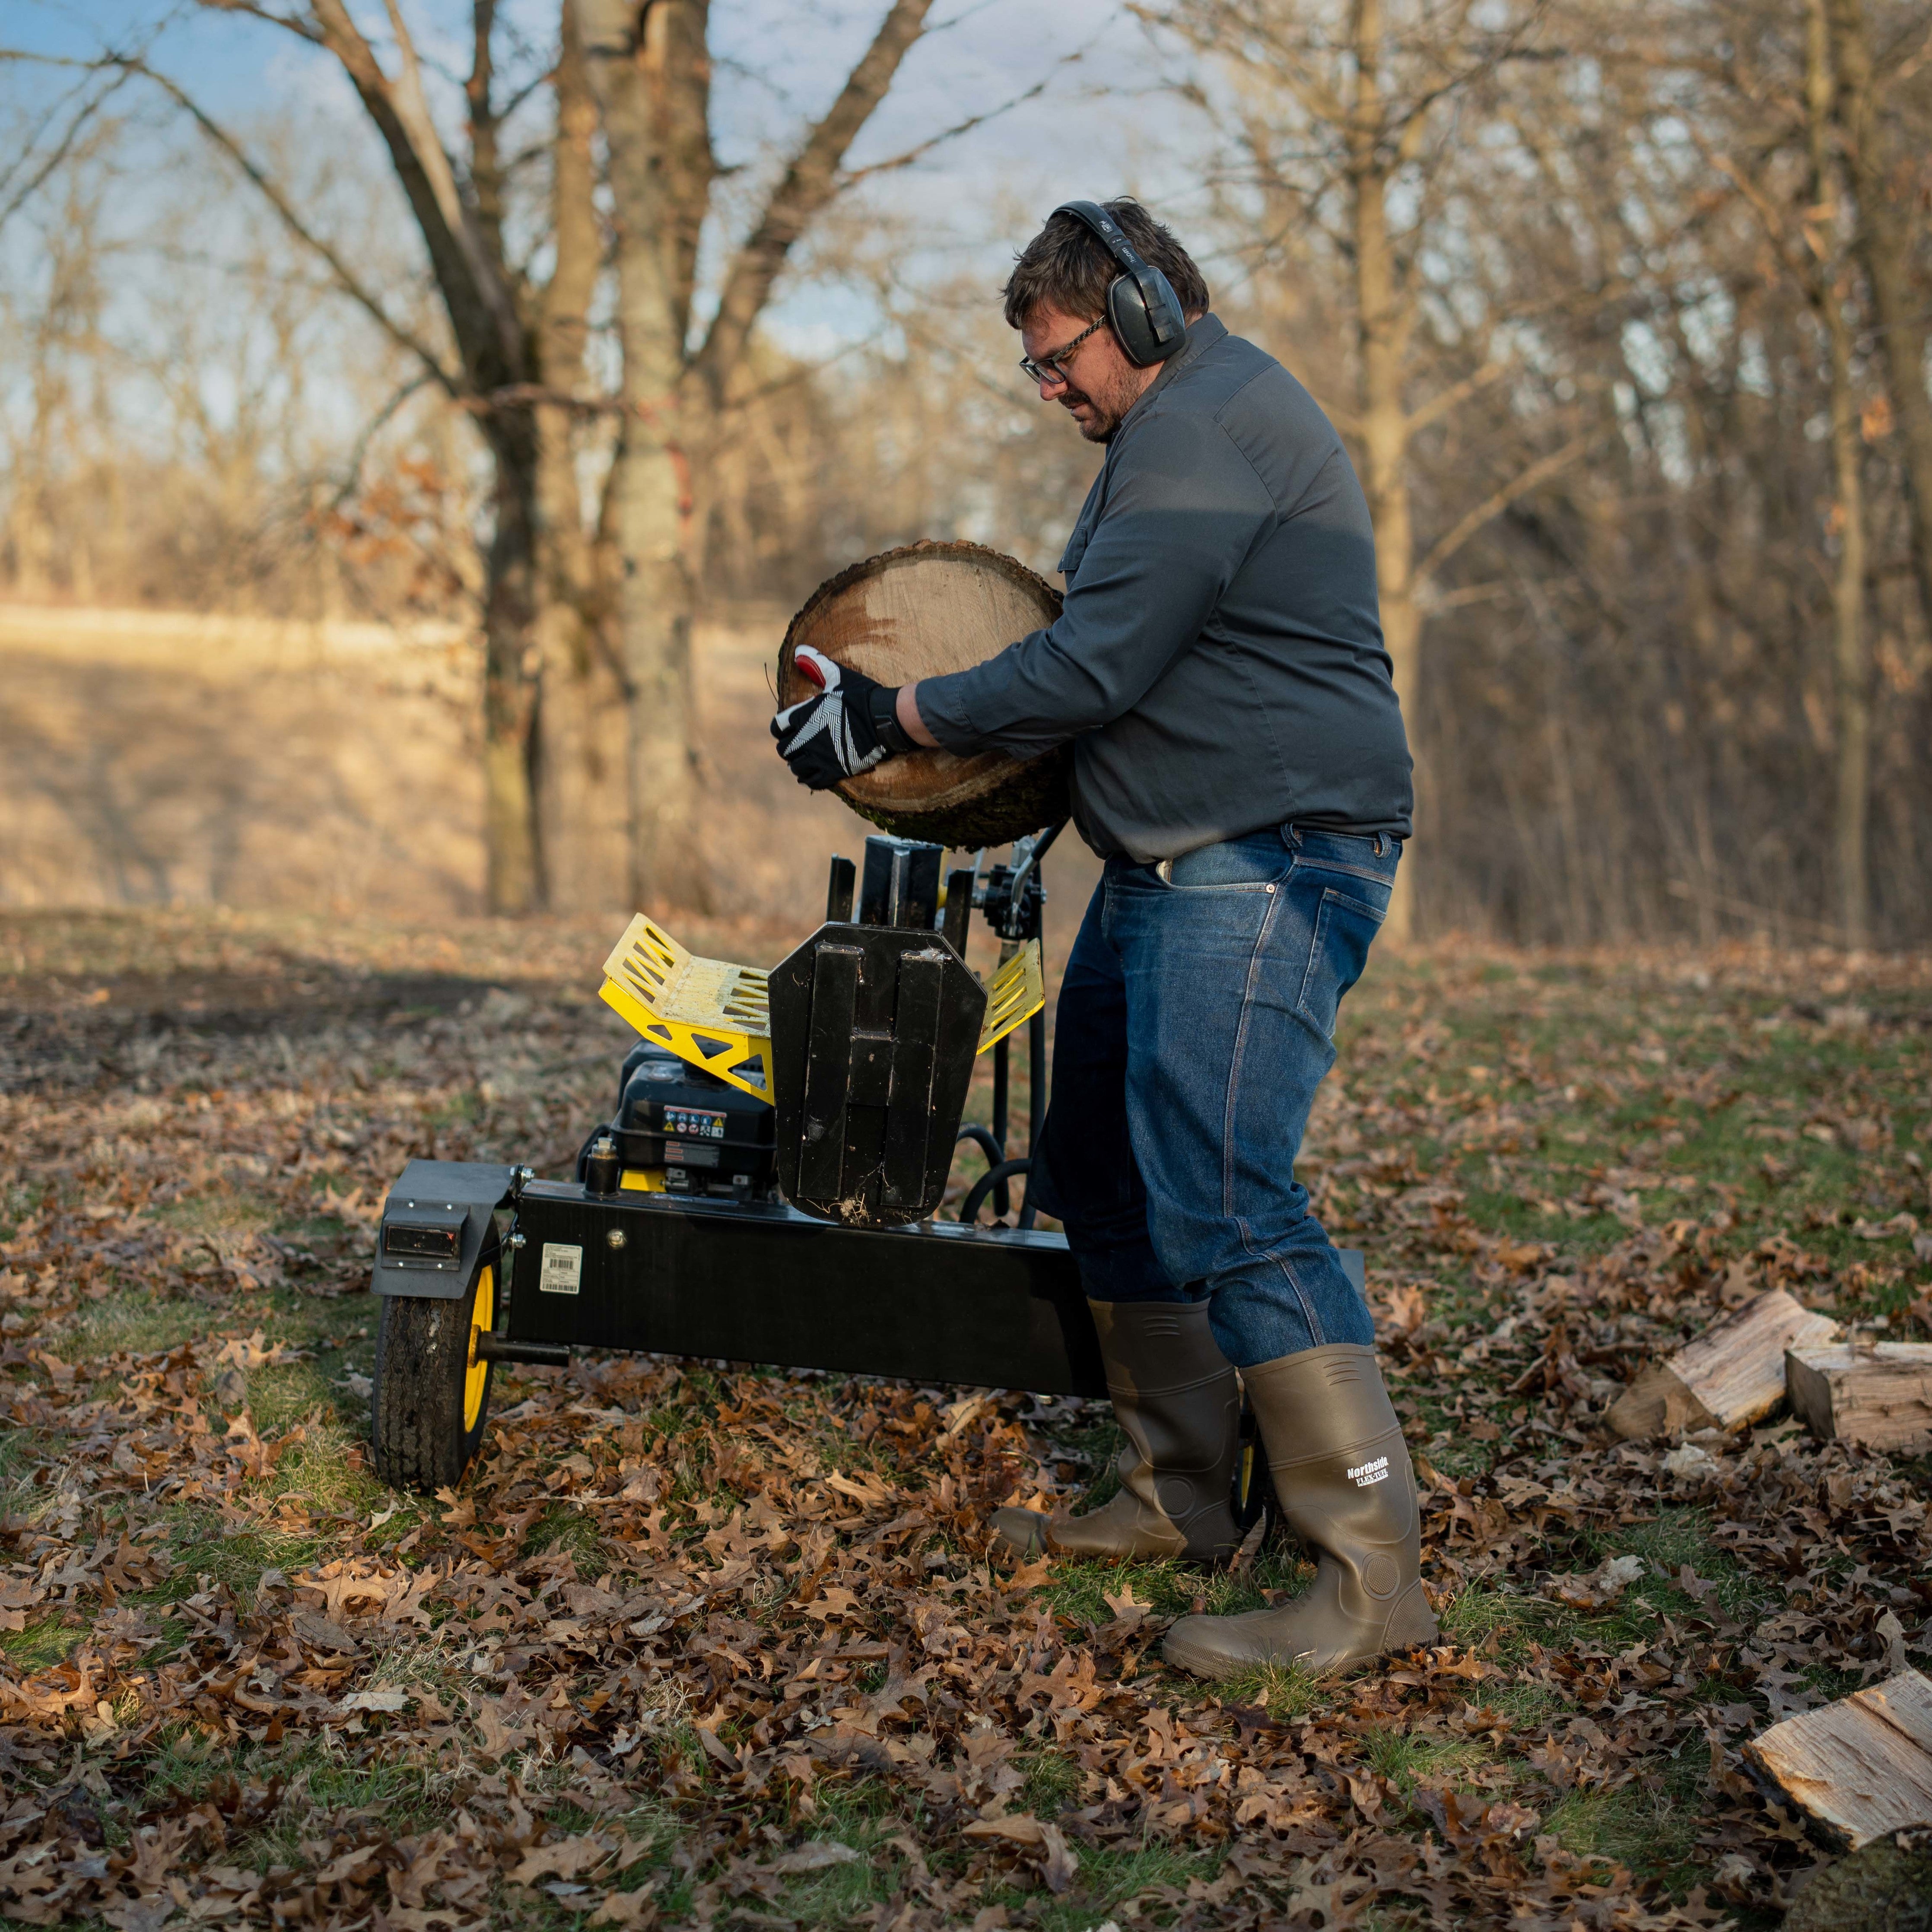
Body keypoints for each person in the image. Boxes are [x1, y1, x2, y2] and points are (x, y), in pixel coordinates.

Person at [771, 199, 1433, 1679]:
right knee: (1107, 1173)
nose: (1049, 385)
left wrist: (895, 716)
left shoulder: (1203, 434)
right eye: (1036, 368)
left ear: (1138, 313)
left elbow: (1095, 661)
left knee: (1228, 1192)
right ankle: (1178, 1497)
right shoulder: (1168, 439)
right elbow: (1137, 681)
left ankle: (1369, 1574)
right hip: (1171, 855)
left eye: (1057, 355)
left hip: (1267, 855)